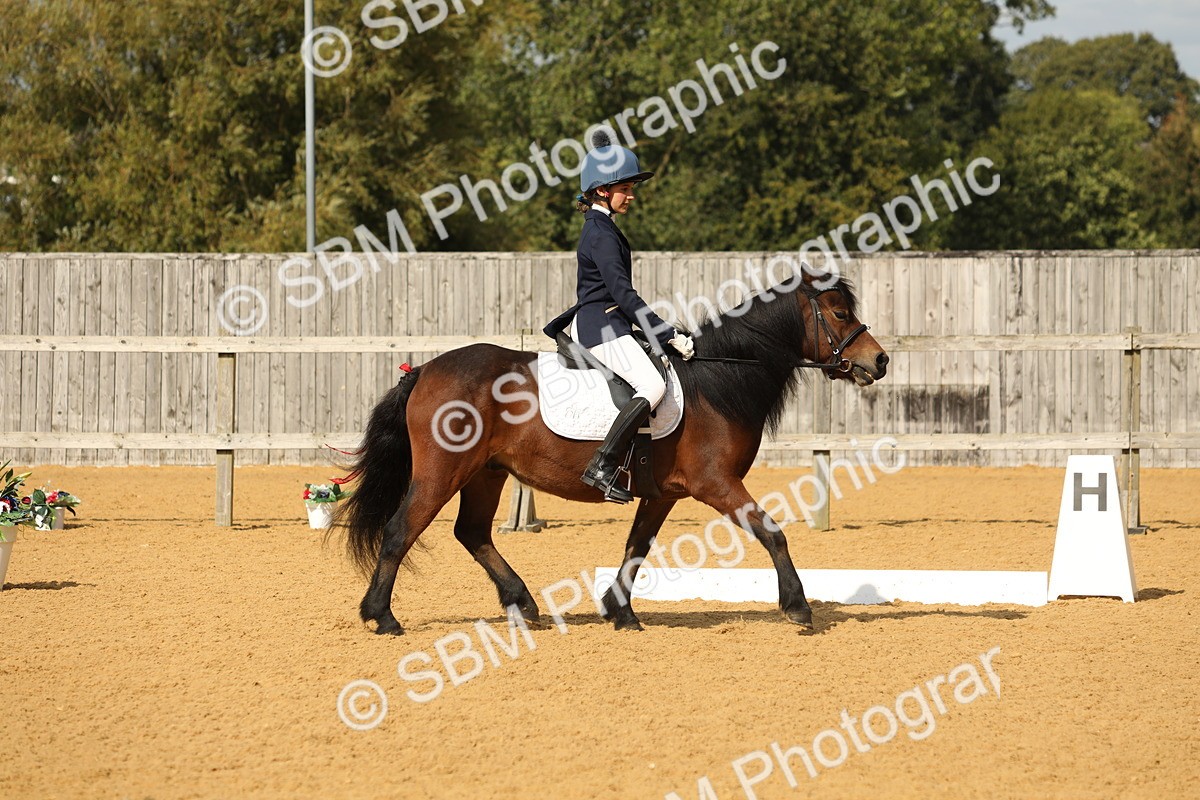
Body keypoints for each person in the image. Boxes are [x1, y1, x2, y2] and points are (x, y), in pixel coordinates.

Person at [543, 130, 695, 503]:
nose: (631, 195)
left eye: (630, 188)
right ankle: (602, 466)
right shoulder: (601, 233)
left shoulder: (602, 228)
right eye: (625, 188)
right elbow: (624, 295)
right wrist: (666, 333)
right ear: (601, 191)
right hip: (602, 327)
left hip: (609, 322)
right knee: (654, 387)